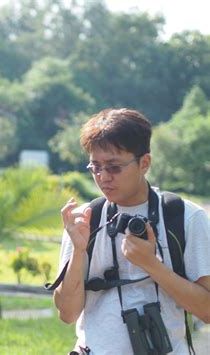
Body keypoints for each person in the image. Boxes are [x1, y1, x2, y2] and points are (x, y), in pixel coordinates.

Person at [53, 108, 210, 354]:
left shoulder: (185, 217)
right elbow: (67, 313)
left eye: (114, 167)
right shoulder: (85, 220)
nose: (103, 177)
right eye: (95, 167)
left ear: (144, 163)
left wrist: (151, 265)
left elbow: (207, 310)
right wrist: (79, 250)